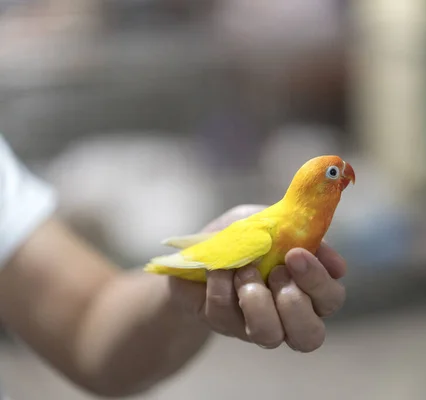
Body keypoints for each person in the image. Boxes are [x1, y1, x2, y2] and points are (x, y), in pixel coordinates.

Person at [0, 135, 347, 397]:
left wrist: (179, 299)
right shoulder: (274, 230)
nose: (344, 176)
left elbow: (87, 322)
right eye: (334, 173)